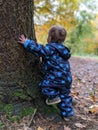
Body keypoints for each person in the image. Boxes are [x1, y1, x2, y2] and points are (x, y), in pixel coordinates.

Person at [18, 25, 74, 120]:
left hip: (56, 77)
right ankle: (68, 114)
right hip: (67, 78)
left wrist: (27, 42)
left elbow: (39, 49)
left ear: (50, 38)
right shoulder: (63, 50)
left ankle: (53, 97)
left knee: (45, 86)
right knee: (64, 95)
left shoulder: (50, 49)